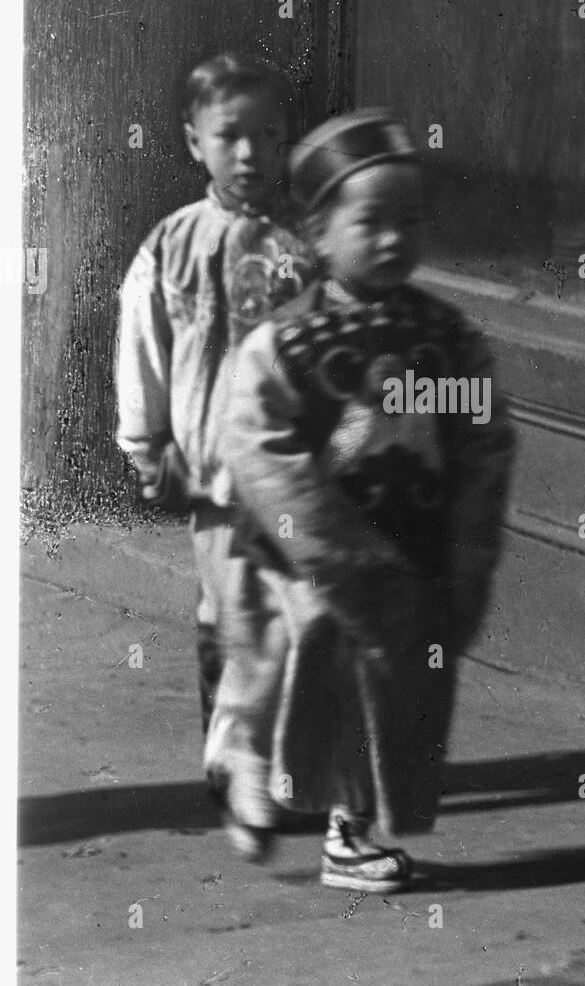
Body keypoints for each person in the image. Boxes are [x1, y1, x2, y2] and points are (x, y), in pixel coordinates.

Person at [206, 108, 515, 890]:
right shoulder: (286, 343)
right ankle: (285, 787)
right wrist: (333, 548)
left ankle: (349, 821)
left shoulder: (444, 337)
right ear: (317, 233)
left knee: (397, 684)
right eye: (369, 221)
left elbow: (479, 440)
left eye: (409, 222)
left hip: (410, 546)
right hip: (307, 554)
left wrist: (467, 550)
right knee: (312, 666)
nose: (392, 239)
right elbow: (256, 445)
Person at [115, 52, 314, 736]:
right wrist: (146, 449)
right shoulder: (174, 245)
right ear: (195, 140)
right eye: (230, 135)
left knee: (302, 603)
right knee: (228, 605)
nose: (250, 152)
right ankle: (233, 755)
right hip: (217, 472)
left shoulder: (307, 246)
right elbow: (143, 345)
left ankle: (297, 756)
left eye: (266, 134)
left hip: (302, 466)